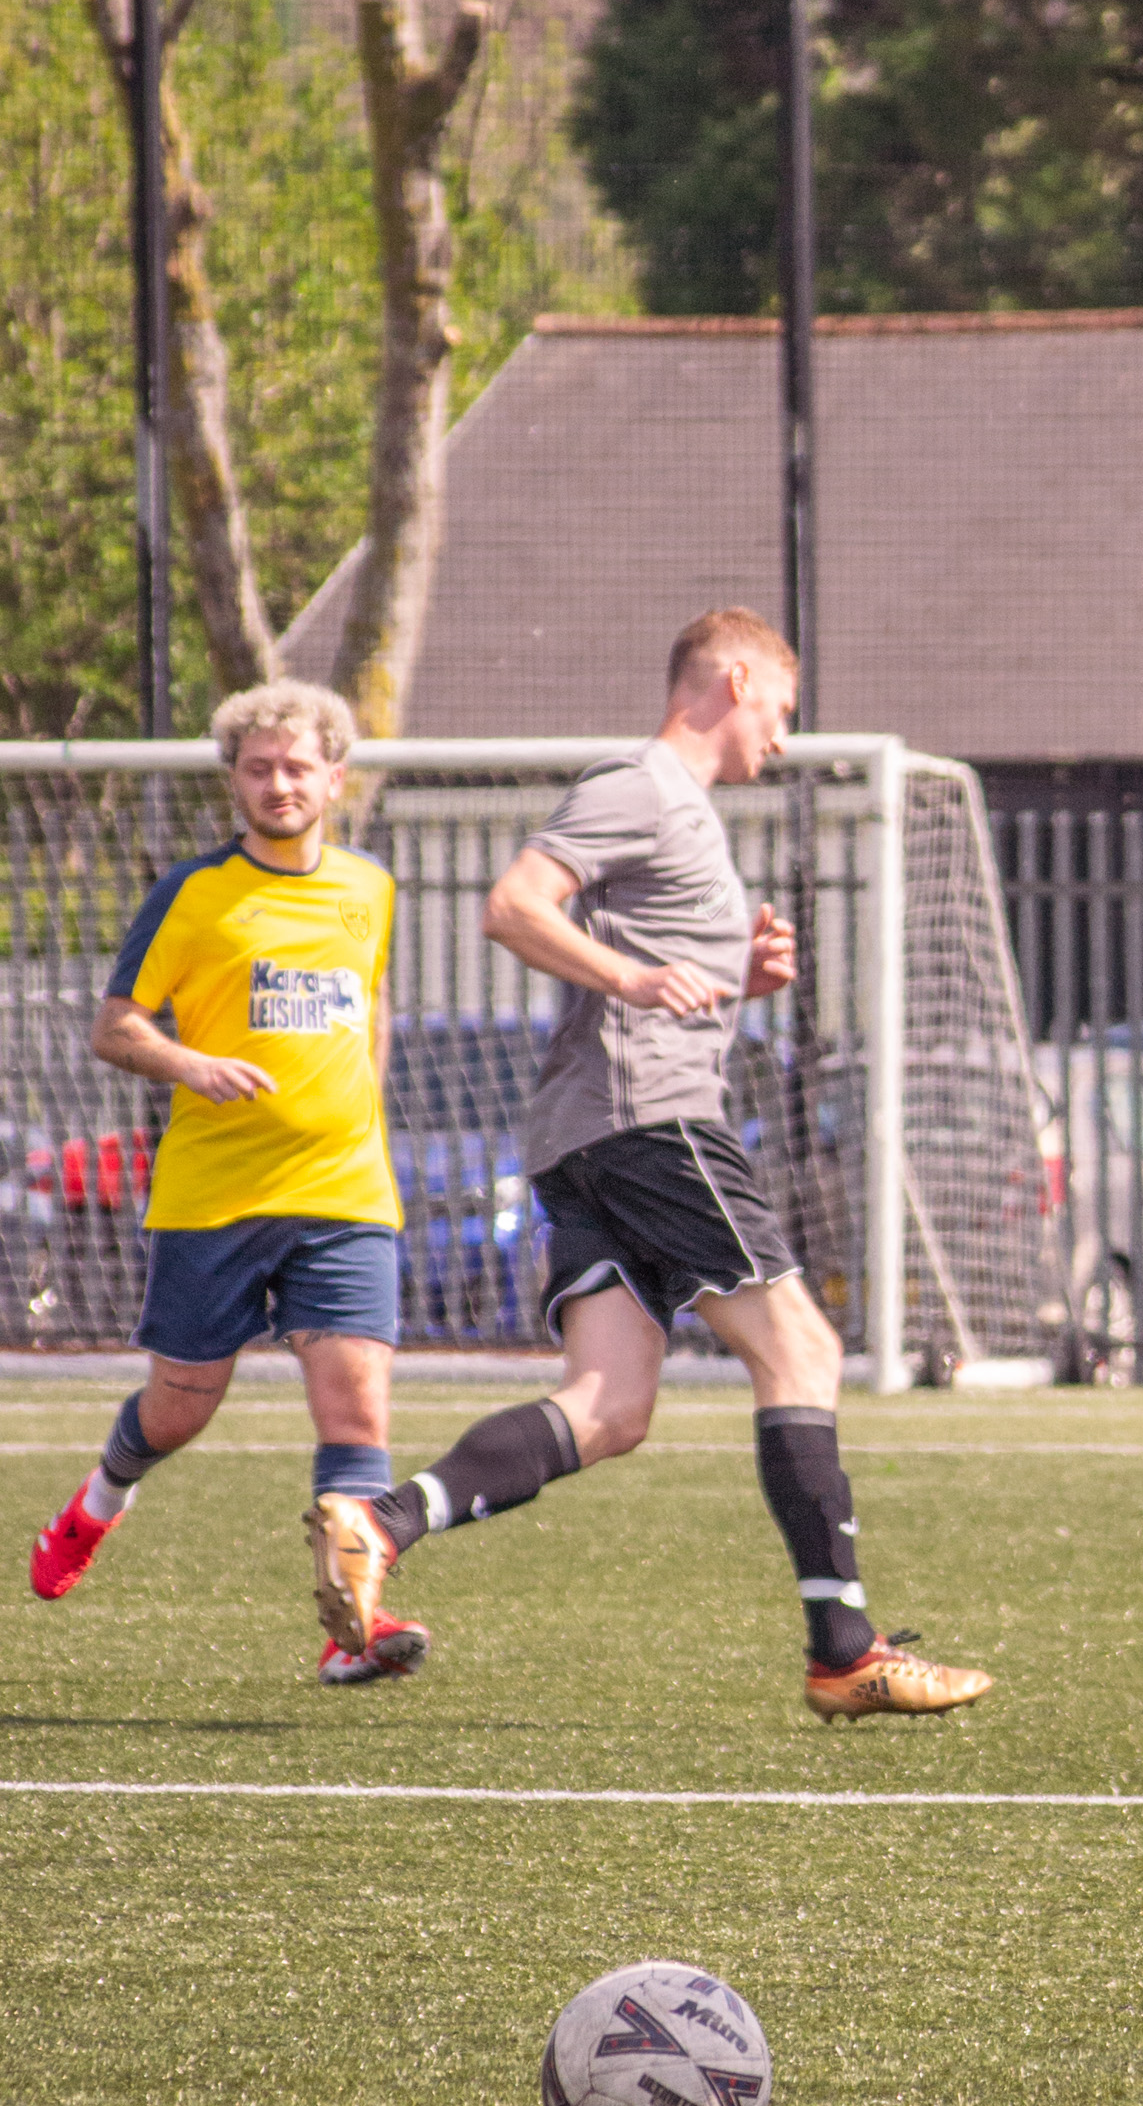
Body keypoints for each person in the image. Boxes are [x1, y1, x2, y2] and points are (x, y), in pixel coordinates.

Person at [307, 606, 993, 1724]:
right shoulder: (641, 783)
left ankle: (379, 1524)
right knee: (802, 1346)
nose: (782, 730)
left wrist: (740, 979)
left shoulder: (688, 818)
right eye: (779, 703)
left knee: (610, 1406)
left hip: (588, 1137)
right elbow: (514, 905)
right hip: (652, 1125)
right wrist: (631, 983)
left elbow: (650, 955)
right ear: (729, 680)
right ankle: (844, 1648)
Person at [31, 679, 428, 1687]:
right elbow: (115, 1026)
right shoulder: (194, 893)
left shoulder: (370, 888)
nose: (279, 783)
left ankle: (357, 1630)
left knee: (357, 1415)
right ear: (236, 783)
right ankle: (95, 1505)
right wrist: (193, 1066)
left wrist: (358, 1119)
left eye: (298, 767)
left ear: (335, 778)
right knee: (182, 1410)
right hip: (213, 1200)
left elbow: (368, 1011)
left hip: (342, 1196)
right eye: (260, 768)